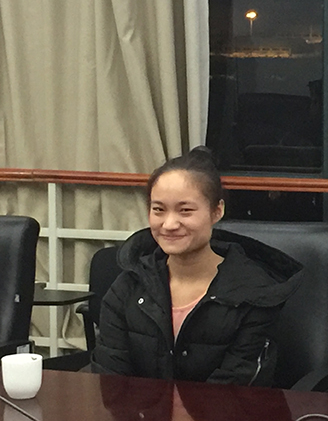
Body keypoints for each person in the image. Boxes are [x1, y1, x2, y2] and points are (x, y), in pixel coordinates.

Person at [91, 146, 303, 385]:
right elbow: (110, 379)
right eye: (158, 210)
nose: (169, 224)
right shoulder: (128, 286)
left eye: (185, 211)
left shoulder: (255, 294)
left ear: (217, 211)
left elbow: (237, 388)